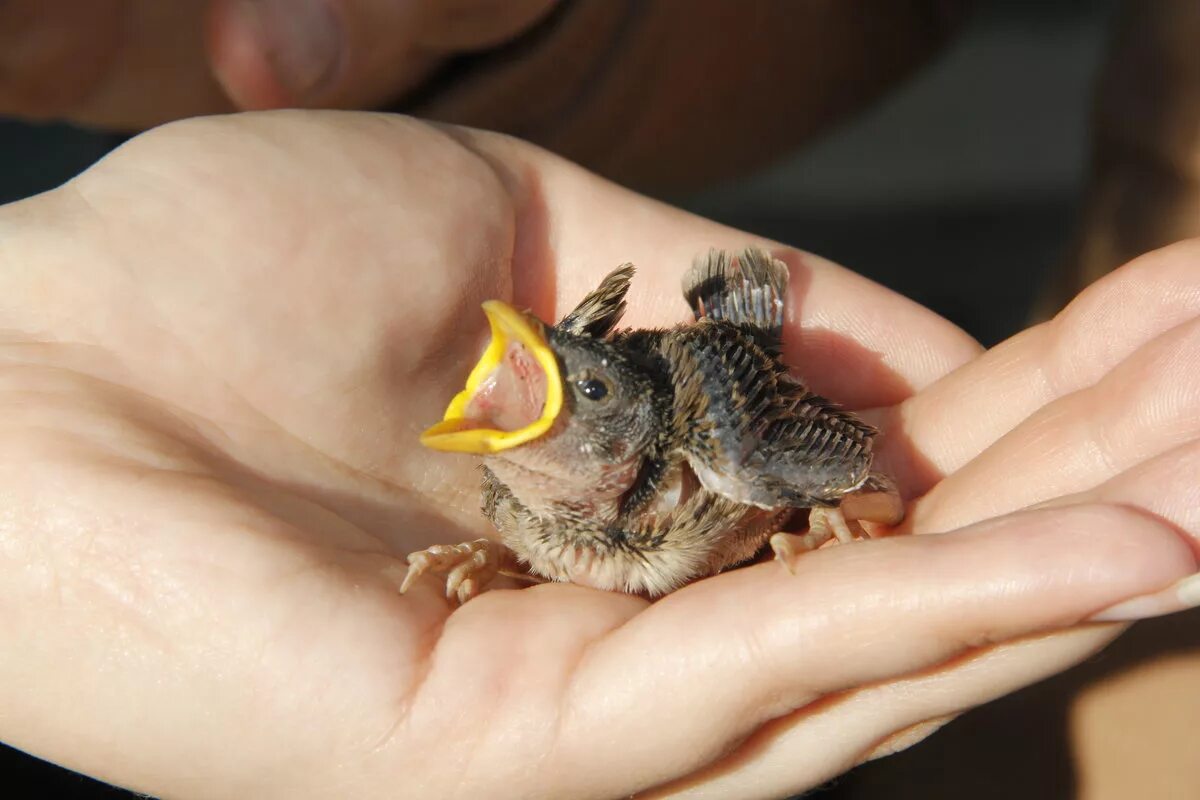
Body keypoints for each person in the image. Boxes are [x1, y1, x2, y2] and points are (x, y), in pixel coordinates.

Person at [0, 2, 1197, 798]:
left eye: (571, 384)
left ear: (628, 428)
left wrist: (843, 502)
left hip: (811, 458)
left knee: (811, 497)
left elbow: (860, 477)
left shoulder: (709, 448)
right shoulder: (506, 502)